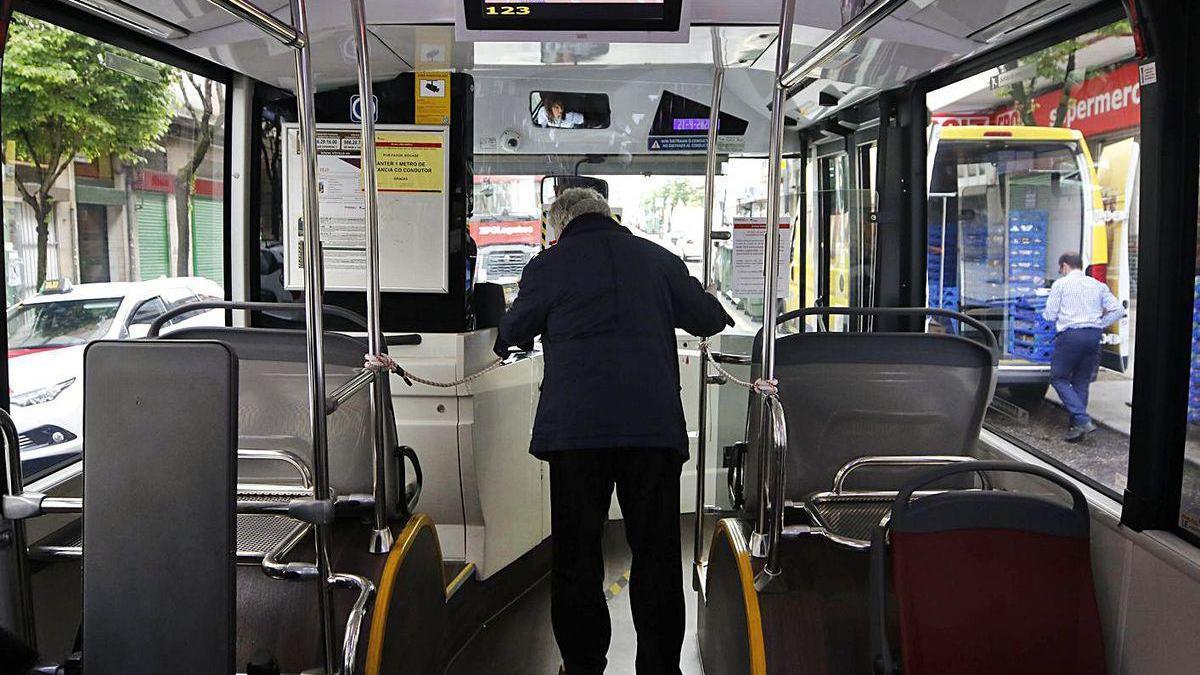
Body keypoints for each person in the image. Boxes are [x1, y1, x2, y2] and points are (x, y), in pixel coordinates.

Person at [494, 188, 732, 674]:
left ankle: (583, 664)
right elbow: (708, 320)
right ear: (609, 216)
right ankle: (660, 666)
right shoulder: (658, 259)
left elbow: (509, 334)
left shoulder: (548, 266)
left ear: (559, 226)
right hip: (652, 433)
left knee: (577, 557)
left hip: (577, 438)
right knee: (657, 553)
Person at [1042, 251, 1126, 442]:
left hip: (1070, 336)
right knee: (1081, 380)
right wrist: (1099, 323)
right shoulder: (1097, 285)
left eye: (1060, 269)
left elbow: (1050, 314)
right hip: (1093, 336)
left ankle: (1081, 419)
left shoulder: (1061, 284)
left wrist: (1045, 313)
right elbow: (1119, 310)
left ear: (1064, 266)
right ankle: (1076, 428)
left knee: (1058, 378)